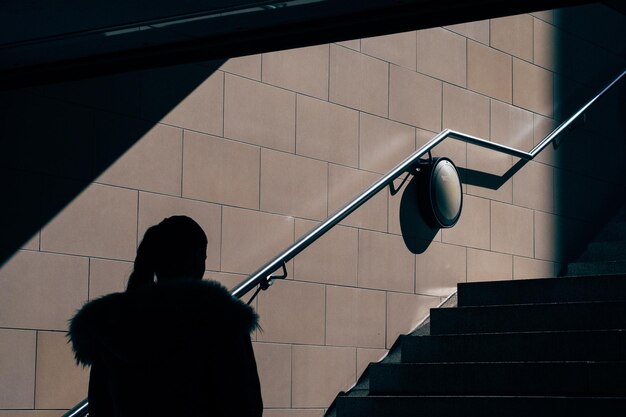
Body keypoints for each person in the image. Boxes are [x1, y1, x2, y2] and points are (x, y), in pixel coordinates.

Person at [68, 215, 262, 417]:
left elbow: (100, 406)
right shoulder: (220, 318)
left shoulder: (111, 322)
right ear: (196, 258)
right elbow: (245, 405)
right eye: (203, 256)